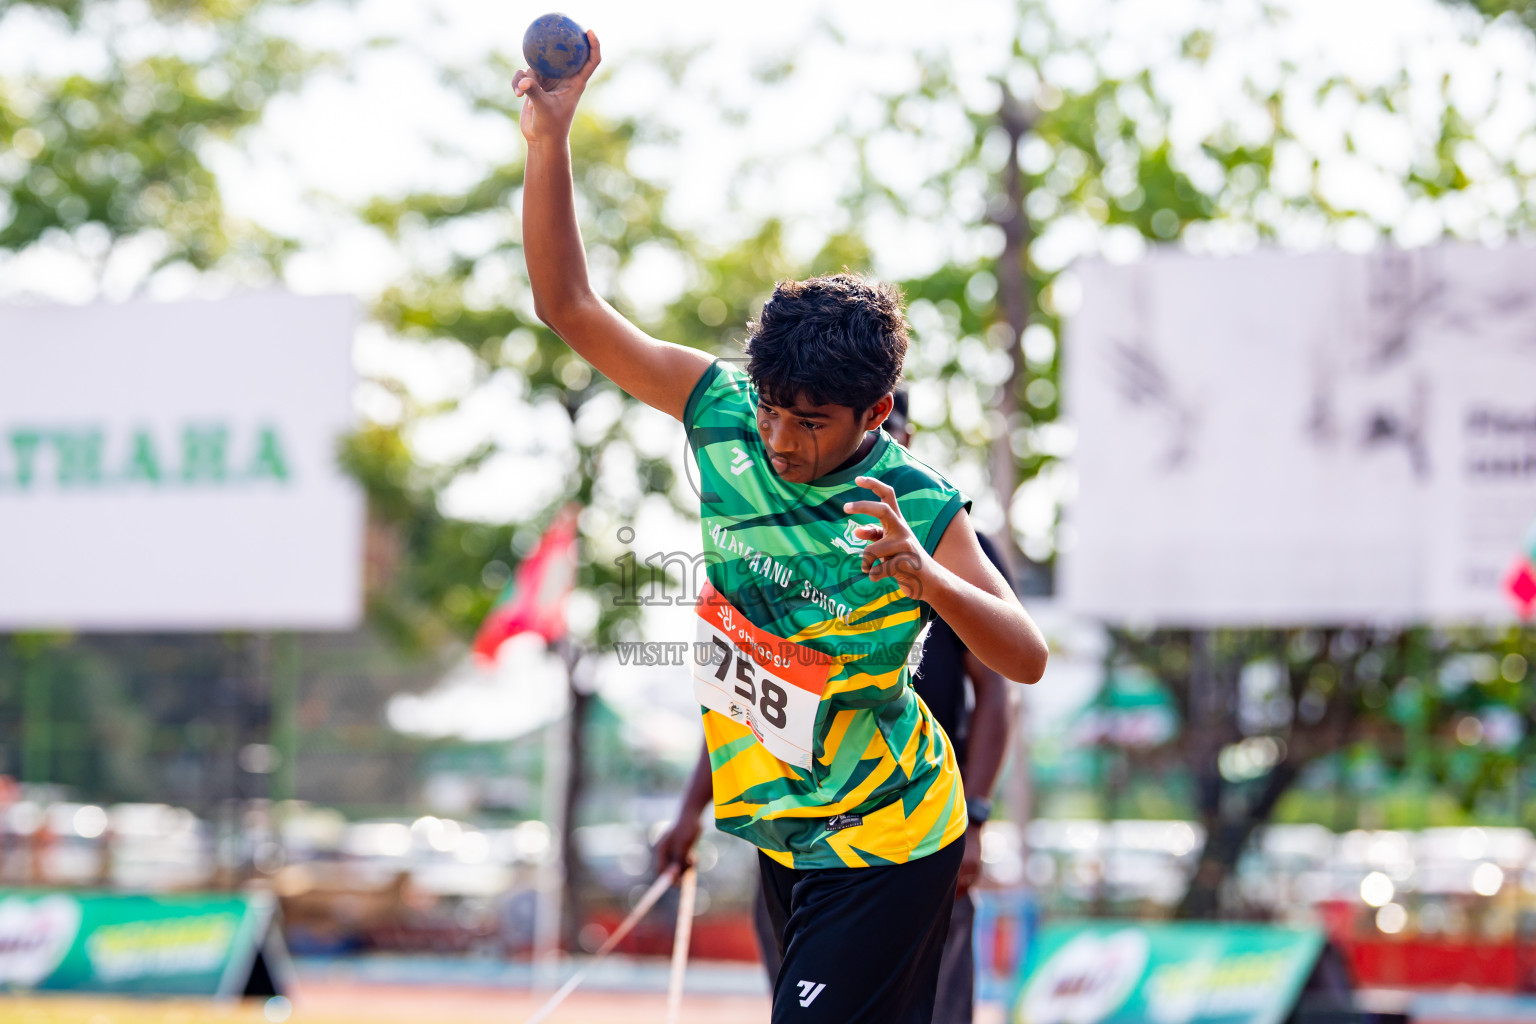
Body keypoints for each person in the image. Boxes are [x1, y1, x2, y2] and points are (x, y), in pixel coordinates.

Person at [514, 38, 1048, 1024]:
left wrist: (928, 578)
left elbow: (1024, 658)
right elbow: (569, 307)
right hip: (785, 826)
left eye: (809, 423)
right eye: (772, 410)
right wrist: (550, 135)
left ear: (876, 410)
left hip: (890, 835)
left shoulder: (915, 501)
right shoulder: (717, 410)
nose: (780, 441)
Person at [657, 390, 1018, 1023]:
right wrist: (691, 809)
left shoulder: (946, 537)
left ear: (886, 427)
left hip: (908, 822)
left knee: (934, 1008)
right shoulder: (775, 537)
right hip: (794, 822)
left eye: (892, 439)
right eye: (777, 419)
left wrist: (979, 818)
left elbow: (1000, 690)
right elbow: (742, 691)